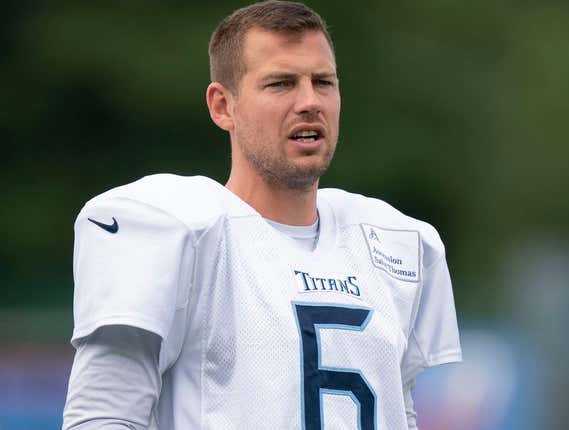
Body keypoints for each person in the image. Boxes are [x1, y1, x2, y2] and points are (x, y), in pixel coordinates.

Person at [62, 1, 461, 429]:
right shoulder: (181, 228)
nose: (309, 101)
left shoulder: (392, 243)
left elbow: (399, 412)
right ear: (222, 106)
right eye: (281, 83)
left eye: (323, 81)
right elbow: (102, 416)